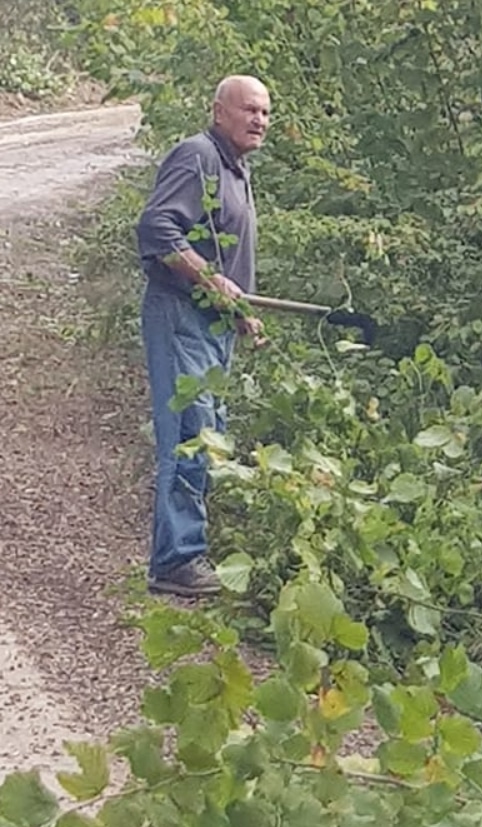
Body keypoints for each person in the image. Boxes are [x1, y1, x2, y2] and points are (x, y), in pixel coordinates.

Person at [135, 74, 270, 597]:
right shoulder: (196, 156)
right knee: (189, 435)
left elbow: (220, 253)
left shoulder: (236, 169)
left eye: (264, 112)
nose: (258, 120)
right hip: (180, 317)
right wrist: (211, 281)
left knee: (208, 435)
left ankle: (187, 553)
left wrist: (237, 310)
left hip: (212, 325)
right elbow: (157, 231)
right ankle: (176, 561)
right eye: (248, 110)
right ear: (219, 112)